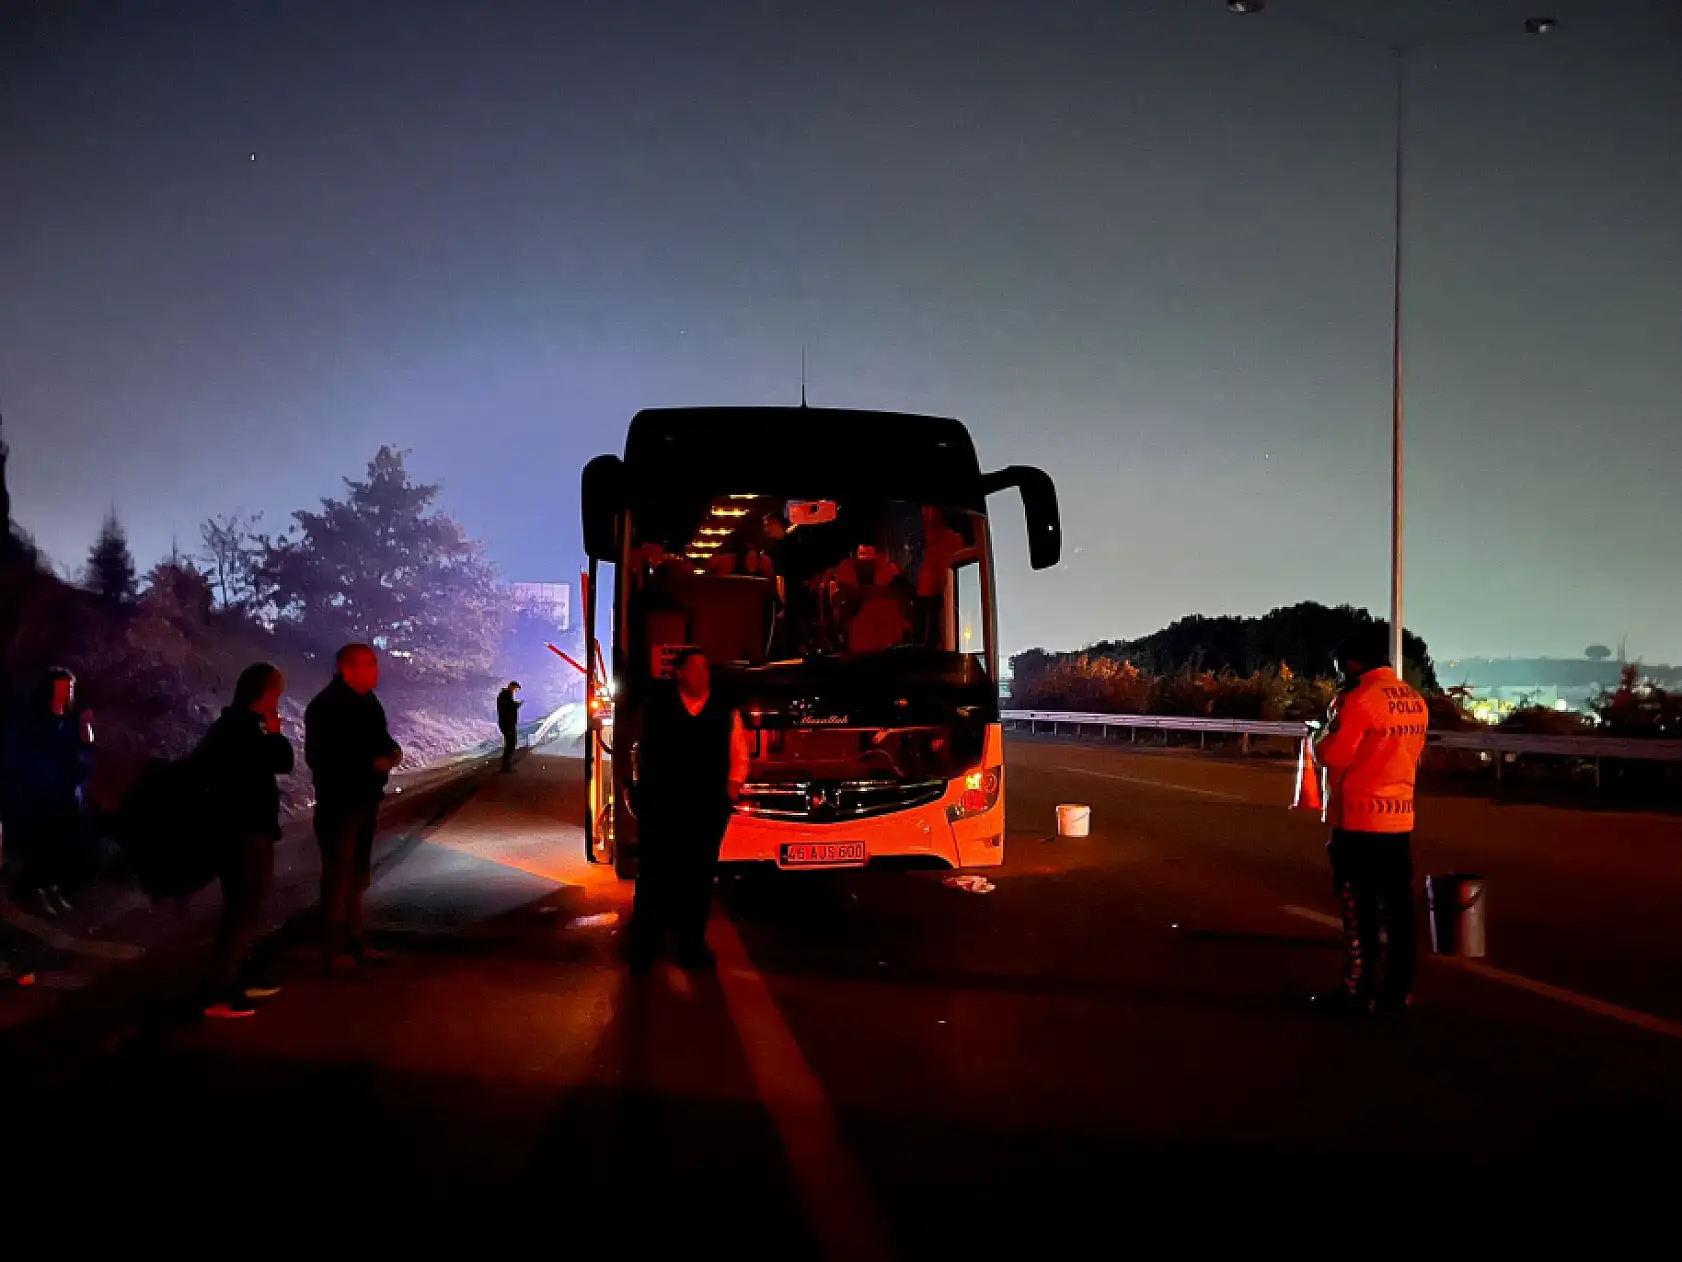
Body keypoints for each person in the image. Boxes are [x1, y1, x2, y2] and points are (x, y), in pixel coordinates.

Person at [1311, 631, 1429, 1016]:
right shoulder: (1414, 700)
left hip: (1360, 820)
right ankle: (1398, 991)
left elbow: (1333, 755)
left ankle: (1356, 991)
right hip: (1400, 818)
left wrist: (1326, 726)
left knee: (1358, 911)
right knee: (1399, 912)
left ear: (1351, 665)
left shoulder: (1359, 700)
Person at [627, 647, 749, 972]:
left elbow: (739, 753)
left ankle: (690, 946)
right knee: (654, 874)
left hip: (707, 808)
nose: (702, 676)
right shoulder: (657, 708)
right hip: (663, 806)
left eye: (705, 670)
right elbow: (641, 752)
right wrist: (640, 793)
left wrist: (731, 792)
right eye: (694, 670)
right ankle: (645, 946)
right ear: (679, 674)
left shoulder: (724, 711)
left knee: (698, 878)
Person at [195, 663, 293, 1019]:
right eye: (275, 694)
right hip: (244, 832)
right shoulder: (245, 728)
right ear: (264, 693)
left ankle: (233, 981)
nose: (277, 702)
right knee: (241, 912)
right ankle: (219, 994)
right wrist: (276, 732)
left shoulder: (229, 725)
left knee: (243, 911)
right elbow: (283, 760)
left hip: (237, 830)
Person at [305, 644, 402, 977]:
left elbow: (380, 737)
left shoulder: (368, 702)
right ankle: (334, 950)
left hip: (365, 799)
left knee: (358, 876)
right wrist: (369, 763)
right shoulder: (326, 706)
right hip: (339, 803)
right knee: (338, 877)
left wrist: (391, 750)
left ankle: (355, 941)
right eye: (369, 664)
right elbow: (322, 757)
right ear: (347, 669)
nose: (376, 671)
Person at [0, 668, 93, 918]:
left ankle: (53, 888)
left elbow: (86, 747)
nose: (70, 692)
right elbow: (17, 754)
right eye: (66, 687)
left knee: (60, 844)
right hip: (39, 794)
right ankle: (35, 892)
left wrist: (87, 728)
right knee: (39, 844)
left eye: (71, 687)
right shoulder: (33, 719)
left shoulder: (71, 718)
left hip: (65, 793)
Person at [497, 680, 522, 772]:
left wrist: (515, 705)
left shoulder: (506, 695)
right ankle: (505, 766)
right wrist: (516, 705)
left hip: (508, 723)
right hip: (507, 724)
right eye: (515, 689)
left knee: (511, 744)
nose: (515, 691)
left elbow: (508, 706)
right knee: (510, 744)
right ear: (511, 686)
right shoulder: (505, 695)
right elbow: (506, 709)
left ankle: (506, 765)